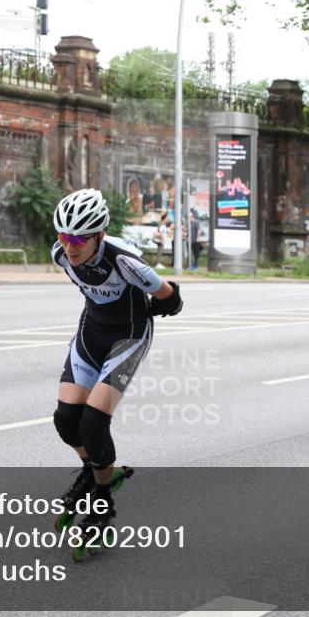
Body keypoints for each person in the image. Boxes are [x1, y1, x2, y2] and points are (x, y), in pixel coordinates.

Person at [50, 189, 183, 534]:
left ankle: (103, 499)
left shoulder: (126, 261)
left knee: (93, 422)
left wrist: (152, 308)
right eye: (65, 235)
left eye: (79, 237)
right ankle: (91, 469)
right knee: (67, 420)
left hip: (129, 337)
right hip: (92, 333)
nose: (70, 245)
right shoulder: (60, 256)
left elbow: (171, 297)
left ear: (100, 235)